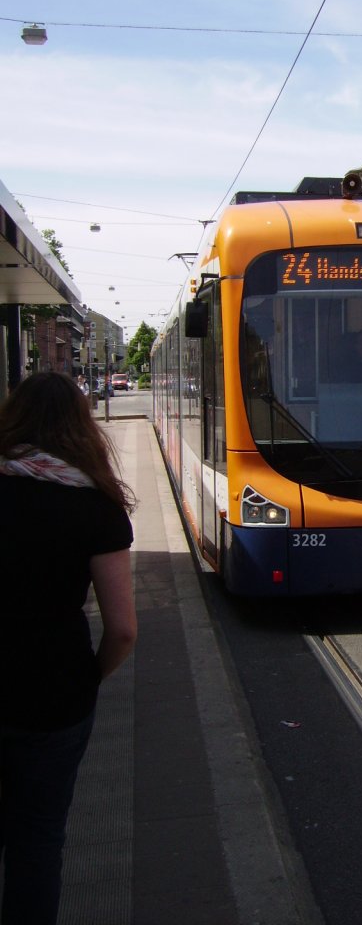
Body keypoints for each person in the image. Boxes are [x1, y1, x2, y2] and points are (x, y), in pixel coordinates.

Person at [0, 372, 137, 925]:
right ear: (81, 428)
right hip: (54, 696)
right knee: (36, 843)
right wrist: (88, 678)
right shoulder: (94, 506)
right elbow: (123, 630)